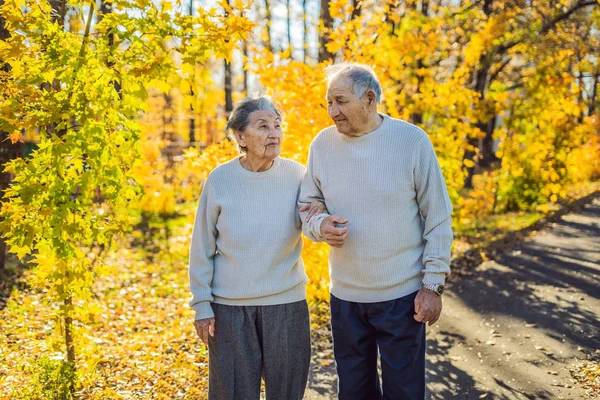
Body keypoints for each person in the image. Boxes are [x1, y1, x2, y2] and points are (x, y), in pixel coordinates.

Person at [299, 63, 453, 400]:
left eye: (340, 101)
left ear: (369, 99)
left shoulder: (411, 141)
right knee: (354, 393)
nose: (332, 112)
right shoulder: (321, 145)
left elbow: (438, 217)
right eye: (328, 103)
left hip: (402, 298)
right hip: (345, 299)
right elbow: (308, 204)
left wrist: (433, 285)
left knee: (404, 393)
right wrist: (320, 226)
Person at [188, 96, 324, 400]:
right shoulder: (220, 179)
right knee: (232, 393)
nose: (274, 133)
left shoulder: (298, 175)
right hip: (229, 309)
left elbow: (315, 221)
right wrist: (201, 304)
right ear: (240, 137)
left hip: (286, 303)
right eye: (262, 126)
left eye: (277, 125)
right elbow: (202, 247)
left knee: (287, 392)